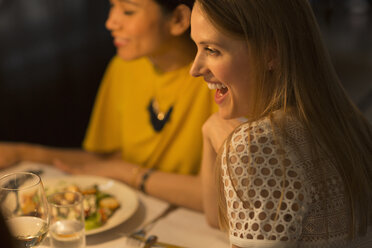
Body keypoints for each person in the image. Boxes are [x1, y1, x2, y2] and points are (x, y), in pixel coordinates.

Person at [0, 0, 217, 211]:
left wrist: (129, 173)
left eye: (128, 11)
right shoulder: (124, 67)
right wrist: (22, 153)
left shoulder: (218, 80)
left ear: (178, 19)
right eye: (113, 6)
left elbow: (216, 197)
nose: (110, 22)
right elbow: (107, 160)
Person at [190, 0, 372, 247]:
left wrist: (240, 149)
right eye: (197, 48)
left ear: (271, 52)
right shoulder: (347, 118)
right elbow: (218, 220)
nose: (195, 69)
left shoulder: (260, 144)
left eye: (212, 50)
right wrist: (211, 130)